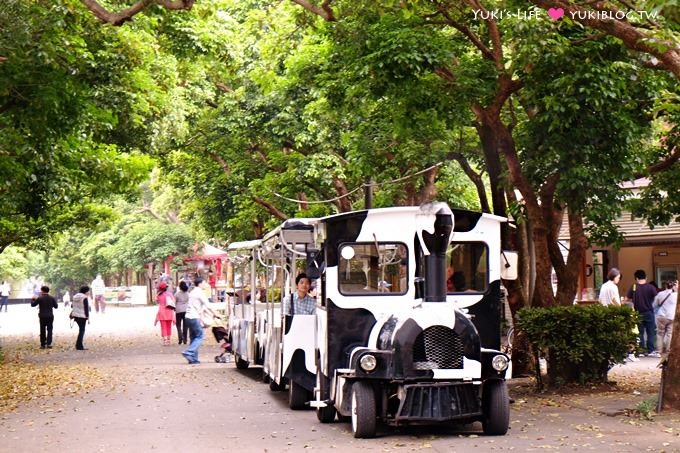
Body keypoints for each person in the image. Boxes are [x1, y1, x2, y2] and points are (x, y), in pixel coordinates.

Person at [182, 277, 219, 364]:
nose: (206, 284)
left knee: (193, 337)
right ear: (200, 283)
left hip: (188, 316)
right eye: (205, 282)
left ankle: (193, 359)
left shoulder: (192, 292)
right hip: (194, 316)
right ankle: (189, 352)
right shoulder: (200, 292)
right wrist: (215, 314)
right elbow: (208, 305)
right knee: (200, 336)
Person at [626, 269, 657, 356]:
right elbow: (656, 298)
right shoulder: (651, 287)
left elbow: (627, 298)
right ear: (646, 278)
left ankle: (641, 350)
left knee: (640, 333)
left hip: (638, 313)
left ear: (636, 278)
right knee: (651, 332)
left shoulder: (633, 287)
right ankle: (651, 350)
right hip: (649, 312)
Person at [653, 280, 677, 357]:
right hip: (671, 316)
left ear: (665, 286)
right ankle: (668, 351)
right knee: (670, 334)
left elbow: (654, 304)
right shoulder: (676, 295)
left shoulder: (660, 294)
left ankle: (659, 351)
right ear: (673, 286)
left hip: (661, 316)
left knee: (660, 334)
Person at [71, 286, 90, 350]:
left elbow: (72, 305)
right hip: (82, 316)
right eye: (88, 291)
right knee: (82, 330)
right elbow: (86, 308)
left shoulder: (75, 296)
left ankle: (78, 345)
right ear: (86, 291)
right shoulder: (84, 297)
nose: (89, 292)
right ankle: (79, 346)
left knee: (81, 330)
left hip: (75, 315)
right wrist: (87, 317)